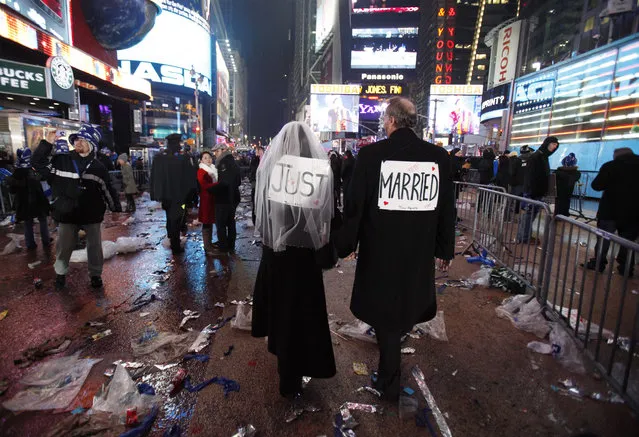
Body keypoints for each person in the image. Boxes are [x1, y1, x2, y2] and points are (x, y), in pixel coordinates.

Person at [335, 97, 455, 401]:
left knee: (387, 313)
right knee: (401, 309)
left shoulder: (372, 155)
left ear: (390, 121)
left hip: (381, 249)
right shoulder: (438, 157)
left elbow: (355, 205)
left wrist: (346, 243)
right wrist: (445, 247)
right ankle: (390, 363)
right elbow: (447, 208)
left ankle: (389, 380)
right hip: (418, 249)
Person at [251, 121, 337, 398]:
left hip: (277, 256)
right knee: (304, 315)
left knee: (282, 314)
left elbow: (260, 217)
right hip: (305, 259)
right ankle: (299, 368)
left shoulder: (270, 170)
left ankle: (286, 371)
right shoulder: (319, 172)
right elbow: (327, 219)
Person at [32, 124, 121, 289]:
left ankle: (95, 275)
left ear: (92, 144)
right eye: (76, 139)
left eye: (82, 139)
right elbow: (37, 163)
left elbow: (106, 188)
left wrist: (115, 207)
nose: (77, 142)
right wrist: (47, 143)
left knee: (94, 247)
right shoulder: (62, 160)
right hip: (67, 213)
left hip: (91, 214)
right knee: (64, 247)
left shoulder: (98, 167)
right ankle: (60, 274)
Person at [584, 148, 639, 276]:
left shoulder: (610, 166)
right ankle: (626, 268)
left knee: (604, 238)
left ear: (616, 156)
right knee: (628, 241)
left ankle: (599, 264)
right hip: (634, 214)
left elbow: (596, 186)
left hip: (610, 212)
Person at [150, 133, 197, 255]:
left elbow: (154, 177)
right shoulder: (183, 157)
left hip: (165, 196)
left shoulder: (159, 157)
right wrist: (192, 197)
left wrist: (156, 193)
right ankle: (175, 245)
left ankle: (172, 237)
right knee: (177, 218)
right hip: (179, 196)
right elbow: (190, 178)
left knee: (169, 217)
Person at [516, 136, 559, 243]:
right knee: (529, 214)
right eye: (553, 144)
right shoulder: (537, 157)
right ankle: (524, 237)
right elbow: (532, 176)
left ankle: (523, 236)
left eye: (556, 145)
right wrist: (533, 192)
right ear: (547, 144)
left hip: (535, 191)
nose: (555, 147)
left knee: (529, 215)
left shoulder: (542, 156)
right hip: (533, 192)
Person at [6, 147, 51, 250]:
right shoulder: (34, 170)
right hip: (38, 200)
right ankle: (46, 241)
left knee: (28, 223)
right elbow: (42, 181)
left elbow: (12, 190)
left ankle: (30, 244)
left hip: (24, 202)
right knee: (43, 220)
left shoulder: (17, 172)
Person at [210, 143, 241, 253]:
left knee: (221, 224)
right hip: (233, 197)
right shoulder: (232, 161)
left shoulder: (223, 163)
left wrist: (211, 189)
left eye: (217, 151)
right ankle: (230, 245)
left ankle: (223, 246)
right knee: (231, 223)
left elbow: (224, 182)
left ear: (223, 150)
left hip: (224, 198)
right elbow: (238, 180)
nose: (215, 154)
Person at [196, 151, 218, 255]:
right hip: (206, 200)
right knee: (206, 223)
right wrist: (218, 184)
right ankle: (207, 247)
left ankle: (209, 243)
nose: (208, 159)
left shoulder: (212, 169)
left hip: (211, 199)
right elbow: (204, 185)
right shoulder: (202, 171)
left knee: (209, 221)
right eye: (205, 158)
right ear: (201, 160)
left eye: (209, 157)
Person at [249, 147, 264, 226]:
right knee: (255, 203)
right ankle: (255, 221)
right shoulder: (254, 160)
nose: (258, 152)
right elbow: (253, 171)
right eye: (257, 151)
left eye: (260, 150)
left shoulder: (265, 160)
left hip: (263, 185)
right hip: (256, 185)